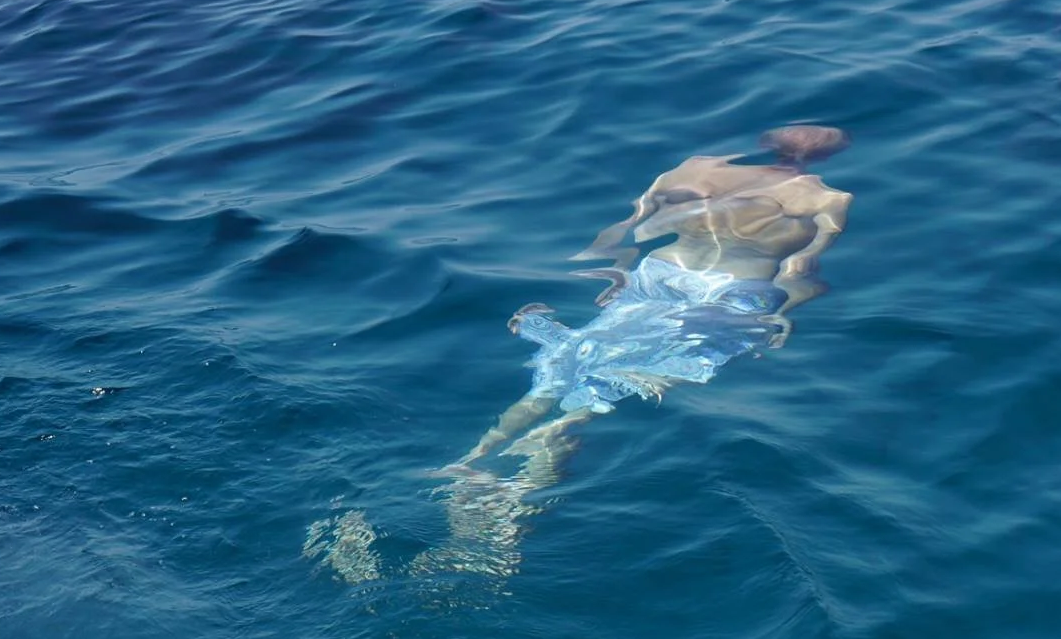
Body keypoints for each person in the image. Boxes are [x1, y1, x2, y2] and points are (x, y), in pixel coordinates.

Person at [306, 125, 852, 583]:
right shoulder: (827, 199)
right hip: (727, 296)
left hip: (657, 277)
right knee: (593, 399)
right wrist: (779, 321)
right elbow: (799, 272)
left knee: (560, 373)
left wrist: (609, 273)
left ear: (766, 141)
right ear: (828, 155)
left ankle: (470, 461)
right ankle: (518, 490)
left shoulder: (696, 169)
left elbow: (622, 232)